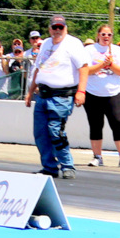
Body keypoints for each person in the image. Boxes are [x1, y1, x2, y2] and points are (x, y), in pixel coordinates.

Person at [22, 14, 88, 179]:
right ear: (50, 28)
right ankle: (49, 166)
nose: (57, 30)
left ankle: (67, 165)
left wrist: (81, 91)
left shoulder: (73, 44)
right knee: (41, 133)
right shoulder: (45, 43)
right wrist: (30, 92)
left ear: (65, 28)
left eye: (61, 27)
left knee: (55, 131)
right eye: (54, 27)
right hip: (43, 95)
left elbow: (84, 68)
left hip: (62, 96)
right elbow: (38, 69)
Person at [82, 24, 120, 168]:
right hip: (93, 92)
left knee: (118, 123)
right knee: (95, 125)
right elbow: (86, 70)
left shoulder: (117, 51)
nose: (106, 37)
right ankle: (97, 157)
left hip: (114, 92)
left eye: (109, 35)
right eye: (103, 34)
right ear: (98, 35)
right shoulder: (89, 50)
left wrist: (110, 65)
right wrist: (101, 65)